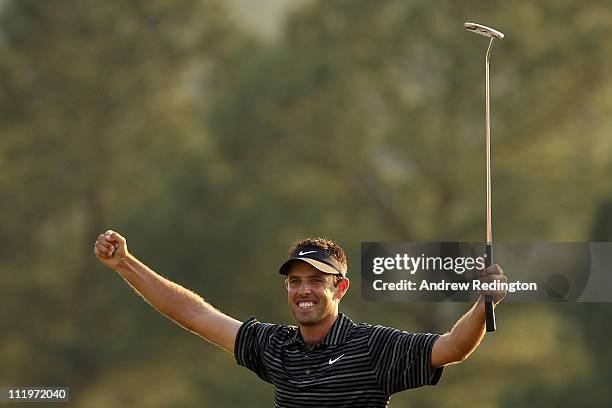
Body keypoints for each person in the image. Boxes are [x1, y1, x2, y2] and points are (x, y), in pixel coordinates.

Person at [94, 230, 507, 408]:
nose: (303, 290)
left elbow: (453, 347)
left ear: (339, 288)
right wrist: (125, 264)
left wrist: (482, 304)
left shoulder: (373, 347)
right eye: (294, 281)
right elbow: (193, 312)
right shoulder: (275, 347)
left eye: (315, 281)